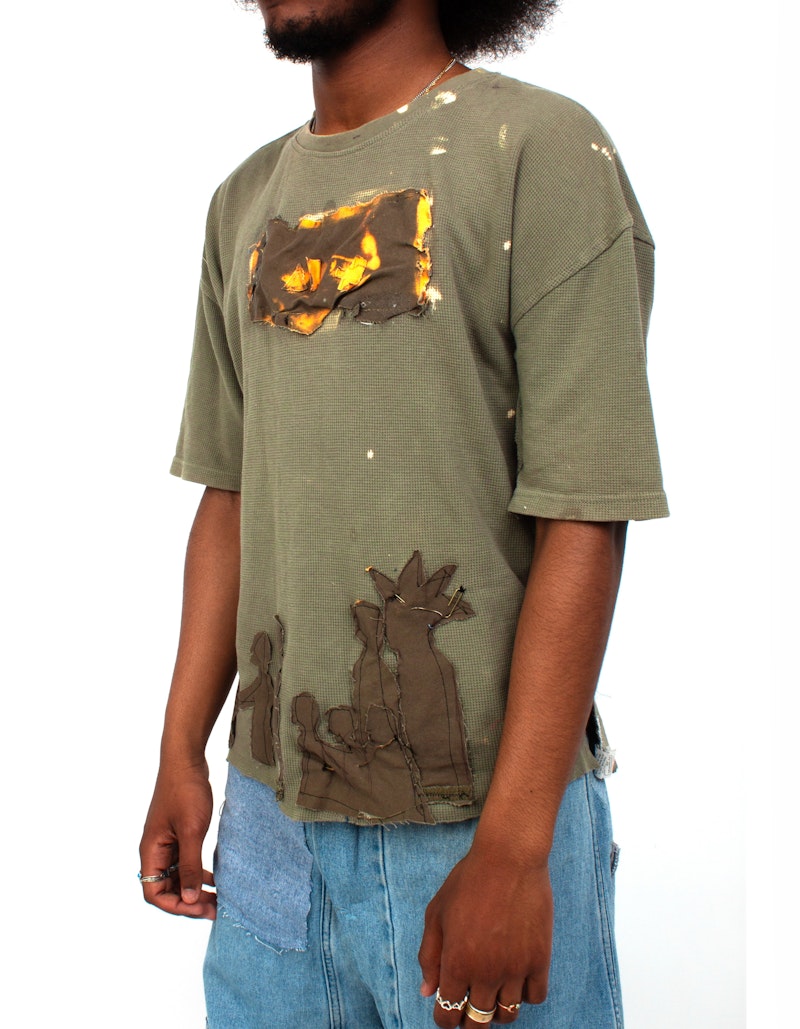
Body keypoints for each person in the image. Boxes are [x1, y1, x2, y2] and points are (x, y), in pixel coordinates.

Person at [139, 1, 668, 1025]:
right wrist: (179, 747)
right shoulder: (243, 200)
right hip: (268, 821)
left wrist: (513, 848)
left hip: (479, 819)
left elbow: (583, 511)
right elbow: (229, 493)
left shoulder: (540, 150)